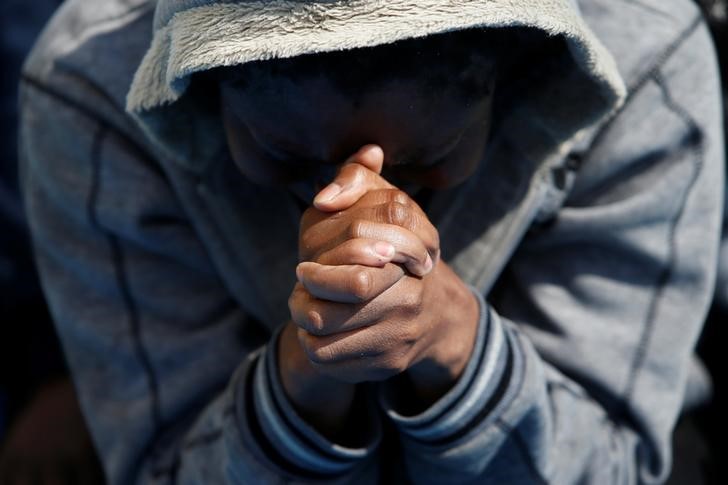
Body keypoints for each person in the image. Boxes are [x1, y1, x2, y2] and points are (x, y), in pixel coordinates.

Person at [18, 0, 723, 483]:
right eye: (287, 157)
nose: (356, 202)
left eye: (424, 159)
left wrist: (455, 343)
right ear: (206, 90)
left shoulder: (648, 67)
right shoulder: (93, 94)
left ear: (514, 83)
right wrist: (303, 381)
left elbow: (615, 465)